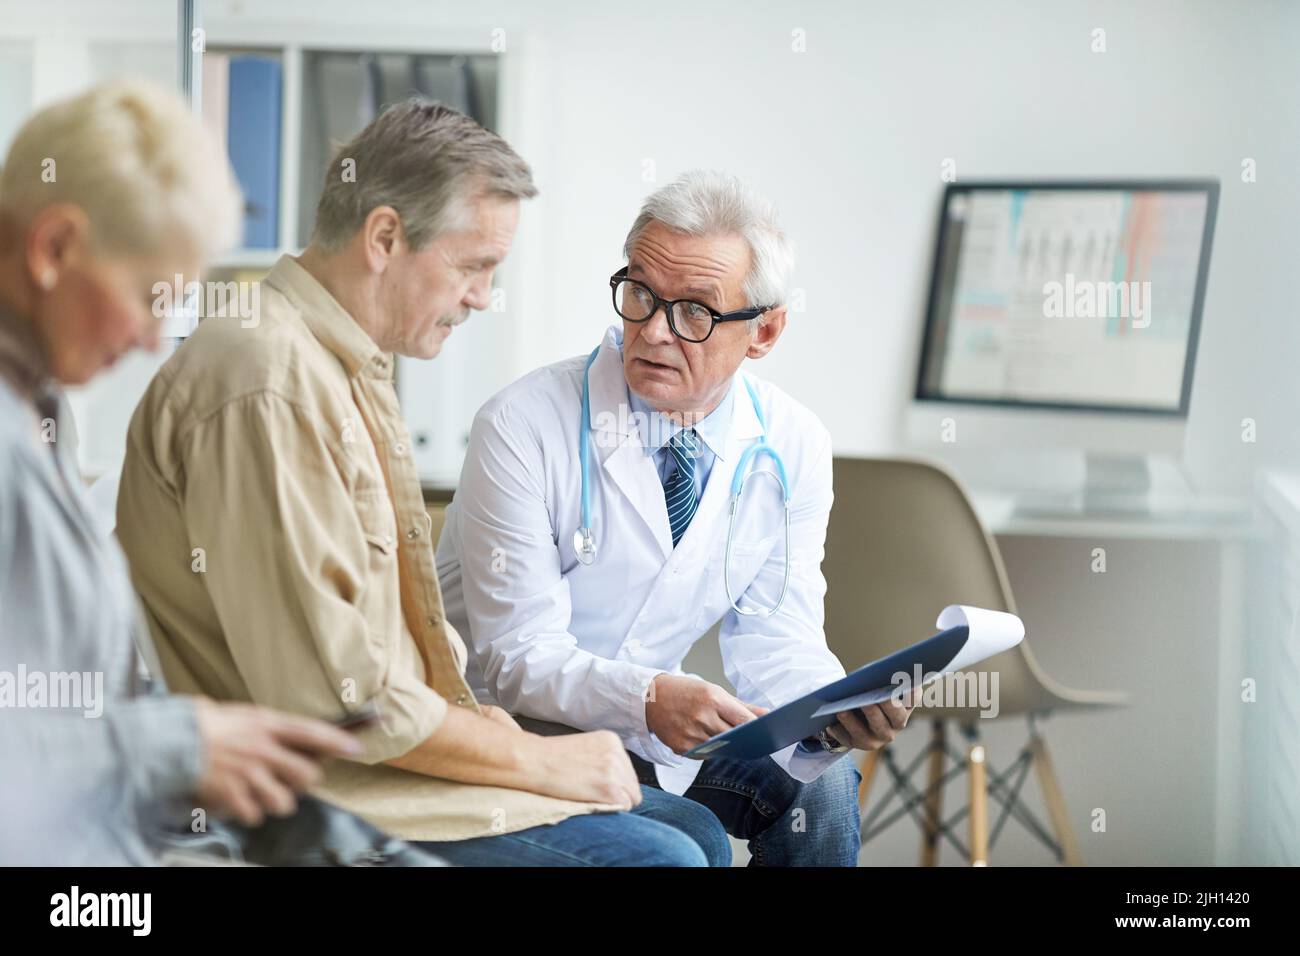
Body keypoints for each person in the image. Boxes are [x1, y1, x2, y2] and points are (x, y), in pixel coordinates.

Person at [116, 99, 729, 867]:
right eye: (473, 266)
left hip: (384, 769)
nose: (480, 296)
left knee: (697, 833)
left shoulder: (342, 367)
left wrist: (500, 738)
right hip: (314, 799)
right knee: (664, 859)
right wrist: (542, 762)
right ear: (384, 237)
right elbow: (339, 696)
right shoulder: (267, 380)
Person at [437, 170, 924, 866]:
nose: (654, 332)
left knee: (823, 782)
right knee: (690, 846)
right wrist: (647, 697)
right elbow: (515, 658)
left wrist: (832, 705)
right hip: (514, 735)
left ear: (765, 332)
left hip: (649, 734)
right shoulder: (522, 425)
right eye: (640, 294)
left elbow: (775, 638)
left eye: (694, 310)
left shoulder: (791, 442)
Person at [0, 81, 363, 866]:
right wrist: (174, 747)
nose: (151, 339)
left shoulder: (41, 408)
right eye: (146, 296)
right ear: (54, 247)